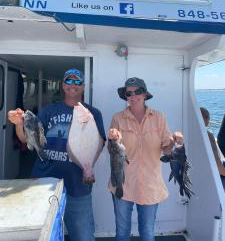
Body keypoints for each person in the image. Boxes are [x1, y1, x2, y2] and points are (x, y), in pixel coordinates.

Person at [8, 68, 106, 241]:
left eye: (77, 82)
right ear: (63, 85)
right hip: (45, 183)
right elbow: (26, 138)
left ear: (83, 86)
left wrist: (87, 167)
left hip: (78, 186)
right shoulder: (48, 111)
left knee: (83, 237)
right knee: (43, 236)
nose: (73, 85)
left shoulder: (93, 114)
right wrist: (18, 124)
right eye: (69, 81)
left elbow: (99, 143)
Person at [108, 77, 183, 241]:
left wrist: (175, 142)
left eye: (137, 92)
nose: (133, 96)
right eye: (129, 93)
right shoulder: (118, 118)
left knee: (147, 232)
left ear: (145, 94)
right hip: (123, 183)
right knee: (122, 232)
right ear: (126, 96)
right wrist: (113, 139)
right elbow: (112, 151)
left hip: (150, 185)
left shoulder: (159, 117)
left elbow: (166, 149)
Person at [200, 107, 225, 190]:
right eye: (207, 117)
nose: (209, 119)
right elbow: (217, 162)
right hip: (212, 175)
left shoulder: (188, 135)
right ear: (205, 118)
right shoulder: (208, 136)